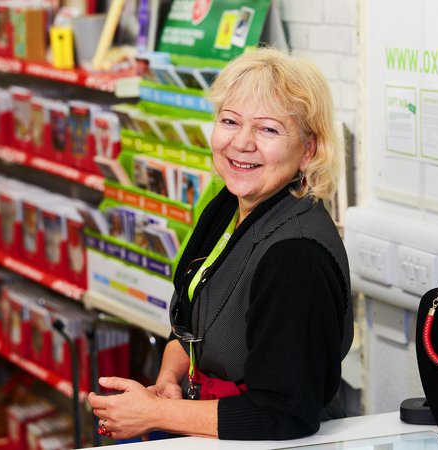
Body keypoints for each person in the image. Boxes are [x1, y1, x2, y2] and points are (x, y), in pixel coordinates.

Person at [87, 47, 353, 441]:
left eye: (268, 129)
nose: (241, 143)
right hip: (203, 420)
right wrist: (167, 381)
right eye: (230, 121)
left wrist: (158, 412)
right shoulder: (230, 204)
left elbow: (285, 415)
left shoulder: (297, 258)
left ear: (308, 149)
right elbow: (191, 325)